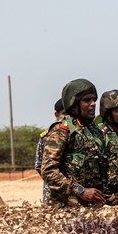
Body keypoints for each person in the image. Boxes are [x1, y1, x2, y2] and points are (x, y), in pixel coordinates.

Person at [41, 78, 110, 207]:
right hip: (66, 207)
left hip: (93, 206)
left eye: (94, 99)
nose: (93, 104)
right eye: (86, 100)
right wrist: (80, 191)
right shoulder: (62, 130)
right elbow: (48, 171)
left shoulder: (94, 130)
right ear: (73, 106)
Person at [33, 98, 65, 202]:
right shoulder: (46, 137)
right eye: (64, 114)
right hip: (51, 193)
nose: (66, 118)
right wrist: (53, 180)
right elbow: (39, 165)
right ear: (56, 115)